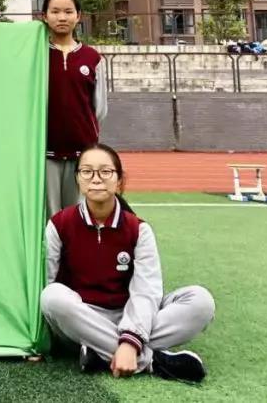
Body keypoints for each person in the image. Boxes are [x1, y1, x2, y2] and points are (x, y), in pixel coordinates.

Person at [41, 145, 214, 383]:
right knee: (51, 296)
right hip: (82, 319)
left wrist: (131, 339)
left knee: (201, 301)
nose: (96, 179)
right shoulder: (59, 224)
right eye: (87, 172)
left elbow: (146, 291)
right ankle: (154, 361)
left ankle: (101, 352)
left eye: (105, 172)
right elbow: (49, 279)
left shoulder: (138, 229)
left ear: (119, 180)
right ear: (78, 179)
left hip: (129, 314)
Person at [43, 0, 107, 218]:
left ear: (78, 16)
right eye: (55, 12)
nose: (62, 17)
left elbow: (100, 107)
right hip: (44, 152)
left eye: (68, 12)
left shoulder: (92, 58)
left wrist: (86, 134)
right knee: (50, 217)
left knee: (79, 215)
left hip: (82, 152)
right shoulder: (37, 55)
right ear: (44, 16)